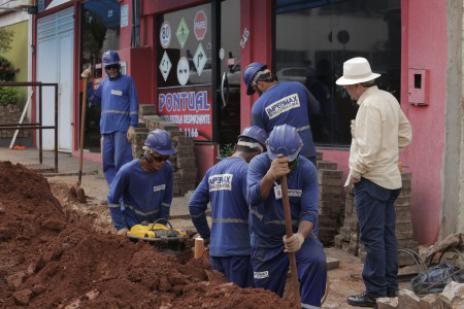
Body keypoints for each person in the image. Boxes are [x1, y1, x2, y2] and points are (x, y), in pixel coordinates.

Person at [335, 57, 412, 307]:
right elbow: (405, 134)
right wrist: (389, 153)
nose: (347, 92)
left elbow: (367, 152)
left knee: (373, 238)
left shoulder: (368, 106)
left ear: (357, 85)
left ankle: (375, 292)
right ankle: (389, 289)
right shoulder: (388, 99)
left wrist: (355, 174)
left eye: (348, 87)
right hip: (389, 179)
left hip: (372, 180)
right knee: (387, 236)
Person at [247, 124, 327, 308]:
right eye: (279, 160)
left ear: (299, 151)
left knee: (316, 261)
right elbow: (252, 198)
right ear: (268, 150)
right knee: (264, 296)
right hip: (265, 240)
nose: (286, 166)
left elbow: (310, 211)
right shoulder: (258, 164)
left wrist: (300, 236)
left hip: (295, 236)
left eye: (290, 162)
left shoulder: (306, 170)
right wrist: (269, 176)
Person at [188, 126, 267, 288]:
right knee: (240, 299)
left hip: (217, 252)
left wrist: (207, 235)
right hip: (240, 252)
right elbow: (256, 209)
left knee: (222, 298)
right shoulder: (246, 172)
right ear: (258, 153)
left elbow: (194, 205)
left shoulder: (213, 170)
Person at [243, 62, 320, 164]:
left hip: (282, 159)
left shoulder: (258, 107)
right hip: (307, 152)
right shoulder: (298, 87)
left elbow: (258, 140)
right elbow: (316, 109)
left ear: (260, 84)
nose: (256, 92)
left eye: (254, 89)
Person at [81, 50, 139, 186]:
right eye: (108, 67)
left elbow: (134, 102)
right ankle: (115, 192)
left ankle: (125, 192)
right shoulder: (104, 84)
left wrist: (133, 125)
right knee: (107, 163)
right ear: (105, 69)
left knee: (122, 161)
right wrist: (88, 82)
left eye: (114, 66)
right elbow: (94, 99)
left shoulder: (128, 81)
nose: (112, 70)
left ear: (118, 66)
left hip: (122, 129)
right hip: (106, 128)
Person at [107, 129, 176, 234]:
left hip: (155, 224)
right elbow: (113, 199)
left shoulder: (167, 169)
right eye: (158, 158)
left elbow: (166, 200)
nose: (162, 162)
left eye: (166, 158)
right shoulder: (127, 171)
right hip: (132, 224)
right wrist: (121, 227)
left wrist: (162, 224)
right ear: (148, 153)